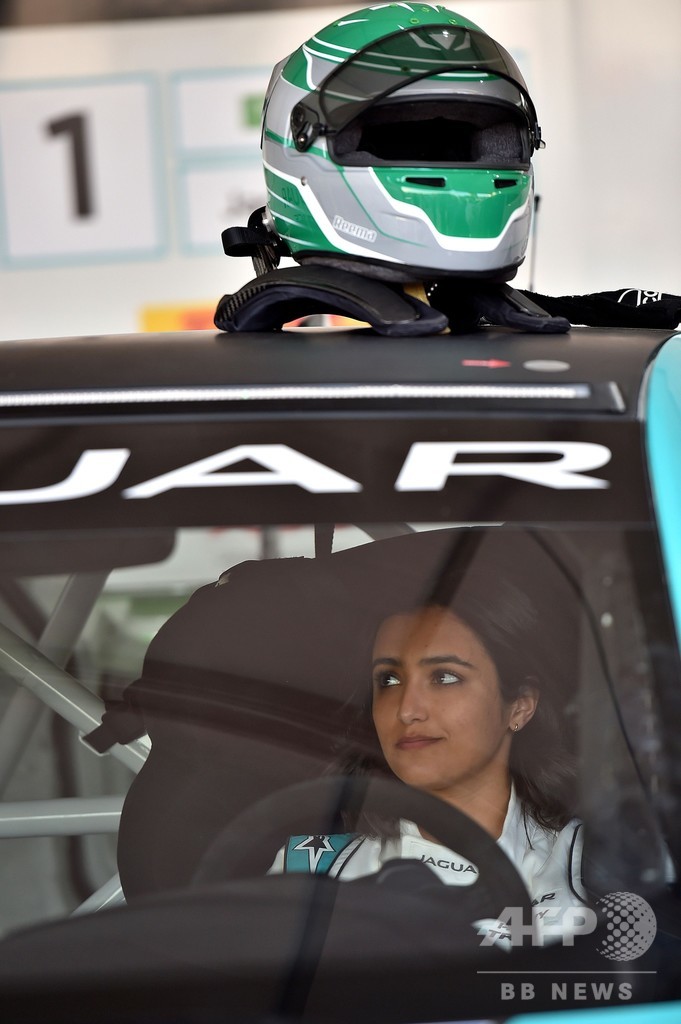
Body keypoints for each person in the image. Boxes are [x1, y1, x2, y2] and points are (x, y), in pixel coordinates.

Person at [270, 567, 587, 945]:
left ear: (520, 705)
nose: (407, 710)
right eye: (388, 680)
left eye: (444, 677)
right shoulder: (309, 870)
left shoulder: (592, 866)